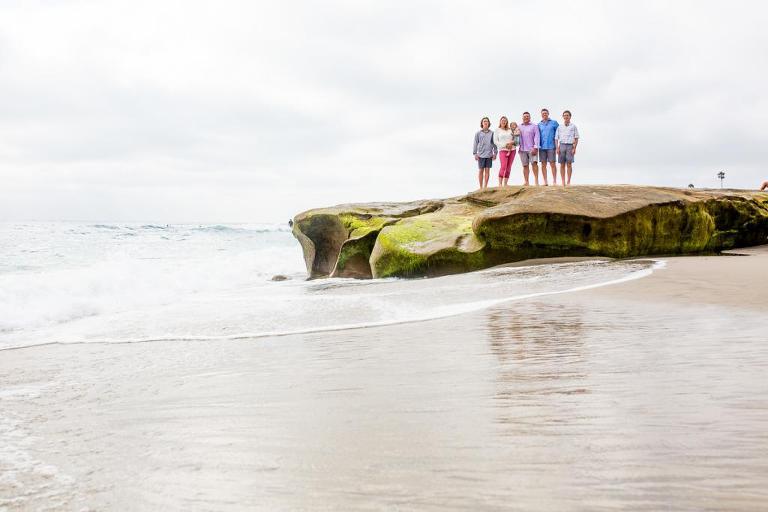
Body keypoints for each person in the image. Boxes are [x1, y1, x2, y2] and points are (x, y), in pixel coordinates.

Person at [555, 110, 579, 186]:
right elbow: (556, 138)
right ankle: (563, 182)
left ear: (570, 116)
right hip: (561, 145)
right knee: (562, 164)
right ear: (563, 117)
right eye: (564, 115)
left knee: (569, 164)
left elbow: (576, 138)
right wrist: (557, 148)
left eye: (567, 115)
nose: (566, 116)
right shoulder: (560, 127)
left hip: (570, 145)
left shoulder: (573, 126)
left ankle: (568, 181)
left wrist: (574, 148)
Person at [473, 117, 497, 189]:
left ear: (489, 123)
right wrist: (475, 153)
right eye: (484, 121)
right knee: (481, 171)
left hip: (489, 154)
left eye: (487, 121)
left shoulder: (492, 133)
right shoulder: (478, 133)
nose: (485, 122)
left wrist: (495, 153)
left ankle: (485, 186)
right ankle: (480, 187)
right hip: (480, 154)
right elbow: (475, 143)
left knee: (487, 171)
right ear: (482, 123)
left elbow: (494, 143)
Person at [493, 116, 517, 187]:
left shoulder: (510, 130)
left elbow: (515, 138)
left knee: (509, 167)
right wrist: (505, 145)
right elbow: (495, 141)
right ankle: (500, 183)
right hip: (503, 150)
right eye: (502, 120)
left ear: (507, 122)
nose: (503, 121)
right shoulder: (497, 130)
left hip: (512, 150)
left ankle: (505, 183)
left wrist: (511, 144)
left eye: (505, 120)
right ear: (500, 121)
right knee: (503, 166)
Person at [518, 112, 540, 186]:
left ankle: (536, 181)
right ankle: (526, 182)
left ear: (529, 117)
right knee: (525, 166)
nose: (526, 117)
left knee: (534, 164)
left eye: (527, 116)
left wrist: (535, 147)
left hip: (532, 149)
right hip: (522, 149)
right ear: (522, 118)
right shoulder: (519, 126)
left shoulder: (534, 126)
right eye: (525, 116)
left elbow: (537, 137)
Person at [538, 108, 559, 186]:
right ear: (541, 115)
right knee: (543, 164)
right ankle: (545, 181)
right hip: (542, 147)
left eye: (546, 113)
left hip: (551, 146)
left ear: (548, 114)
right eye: (543, 113)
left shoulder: (554, 123)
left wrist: (557, 146)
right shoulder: (539, 124)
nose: (544, 114)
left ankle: (554, 181)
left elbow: (558, 134)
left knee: (552, 164)